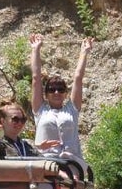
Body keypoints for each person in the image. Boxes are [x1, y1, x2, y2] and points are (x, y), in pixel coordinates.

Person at [31, 34, 91, 165]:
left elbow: (78, 78)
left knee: (71, 179)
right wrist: (36, 49)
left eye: (61, 89)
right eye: (52, 89)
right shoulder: (40, 110)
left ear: (65, 94)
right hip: (46, 161)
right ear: (45, 94)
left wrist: (84, 52)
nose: (56, 92)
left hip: (71, 161)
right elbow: (36, 78)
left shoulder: (71, 109)